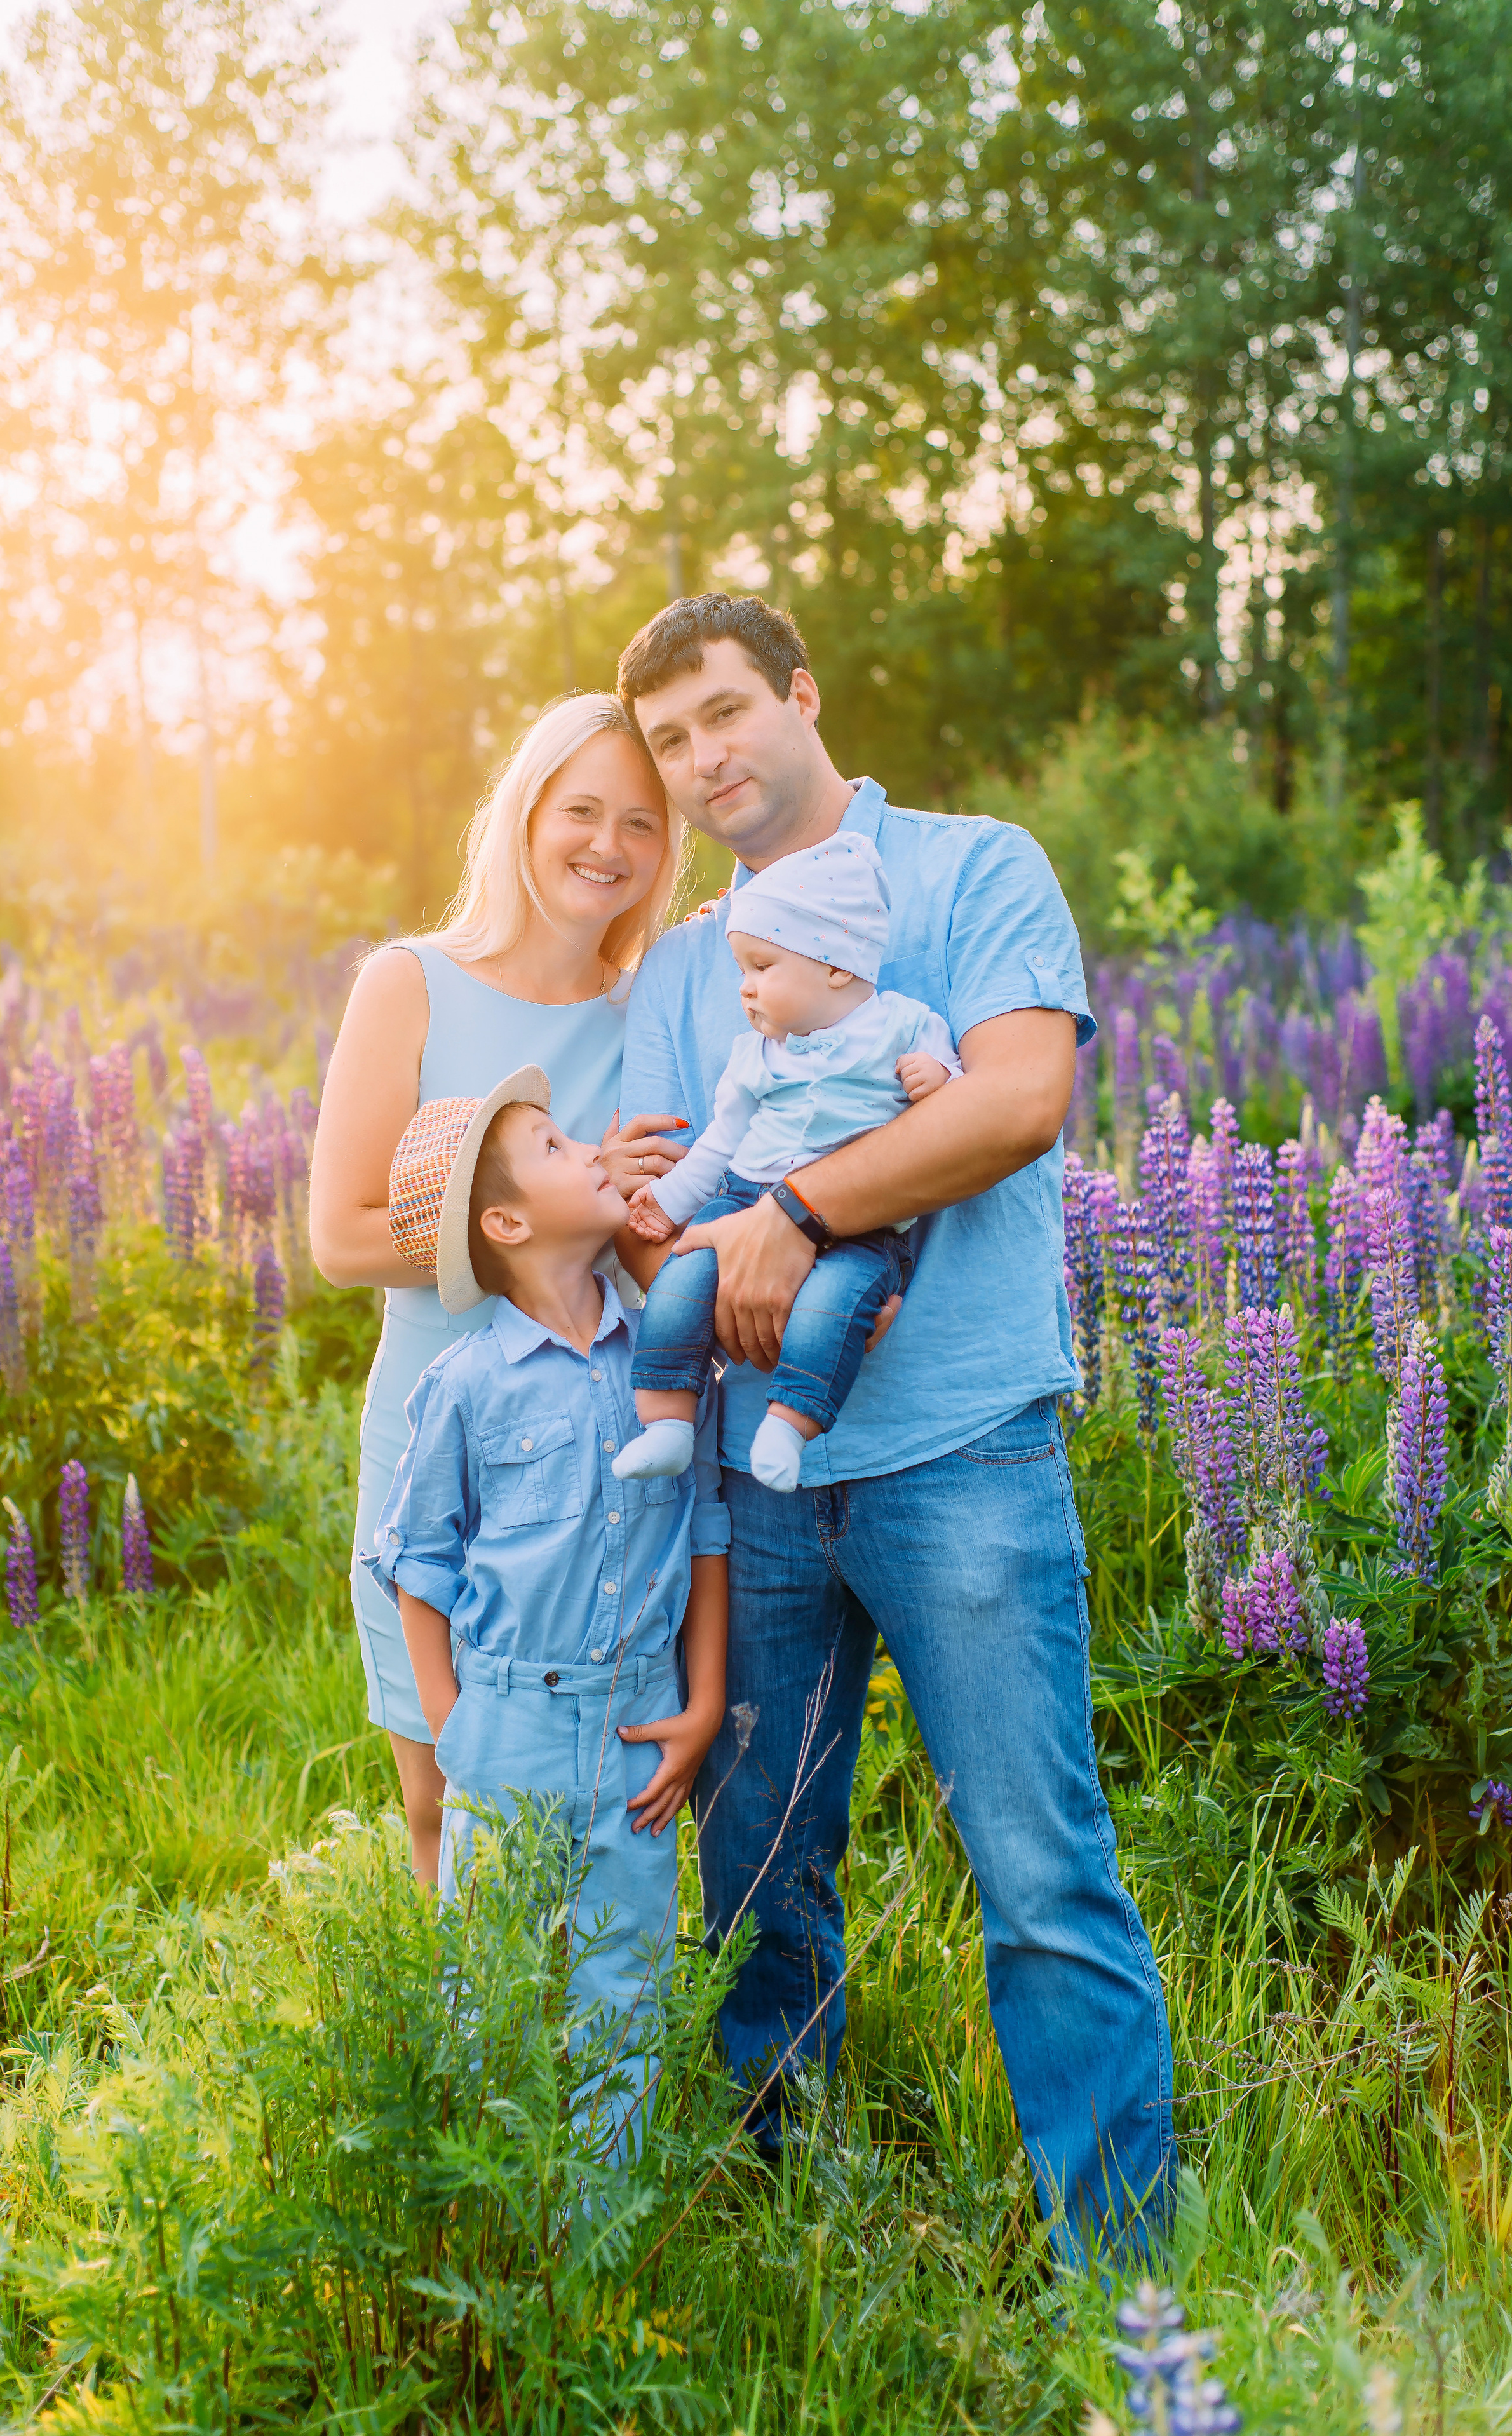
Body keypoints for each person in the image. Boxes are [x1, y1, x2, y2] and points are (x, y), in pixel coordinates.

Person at [613, 592, 1176, 2261]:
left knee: (1042, 1874)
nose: (703, 756)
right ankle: (790, 2248)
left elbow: (1013, 1100)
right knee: (762, 1875)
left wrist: (790, 1210)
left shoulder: (973, 867)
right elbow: (650, 1212)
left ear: (801, 691)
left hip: (964, 1457)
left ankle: (1127, 2286)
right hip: (753, 1484)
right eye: (668, 739)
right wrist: (726, 1235)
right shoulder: (677, 969)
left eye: (724, 712)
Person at [309, 694, 691, 1885]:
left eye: (641, 820)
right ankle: (463, 2064)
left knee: (596, 1795)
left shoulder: (651, 1006)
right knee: (440, 1794)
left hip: (596, 1448)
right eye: (580, 809)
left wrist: (634, 1219)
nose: (608, 845)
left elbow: (655, 1239)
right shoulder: (411, 980)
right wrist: (523, 1226)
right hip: (439, 1437)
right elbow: (341, 1234)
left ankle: (593, 2054)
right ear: (525, 815)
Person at [363, 1069, 730, 2160]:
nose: (595, 1152)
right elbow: (416, 1559)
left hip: (640, 1726)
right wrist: (452, 1722)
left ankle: (595, 2243)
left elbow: (704, 1524)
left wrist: (703, 1703)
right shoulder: (468, 1380)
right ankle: (497, 2238)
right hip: (510, 1722)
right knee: (494, 1991)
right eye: (561, 1145)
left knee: (627, 1989)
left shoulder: (667, 1359)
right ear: (507, 1221)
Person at [612, 828, 961, 1494]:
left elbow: (958, 1100)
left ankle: (790, 1422)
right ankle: (666, 1420)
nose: (744, 989)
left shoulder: (904, 1025)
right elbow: (718, 1142)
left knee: (835, 1302)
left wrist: (937, 1075)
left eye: (762, 968)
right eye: (741, 969)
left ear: (835, 965)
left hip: (862, 1220)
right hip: (744, 1194)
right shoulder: (755, 1054)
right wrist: (669, 1202)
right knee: (684, 1279)